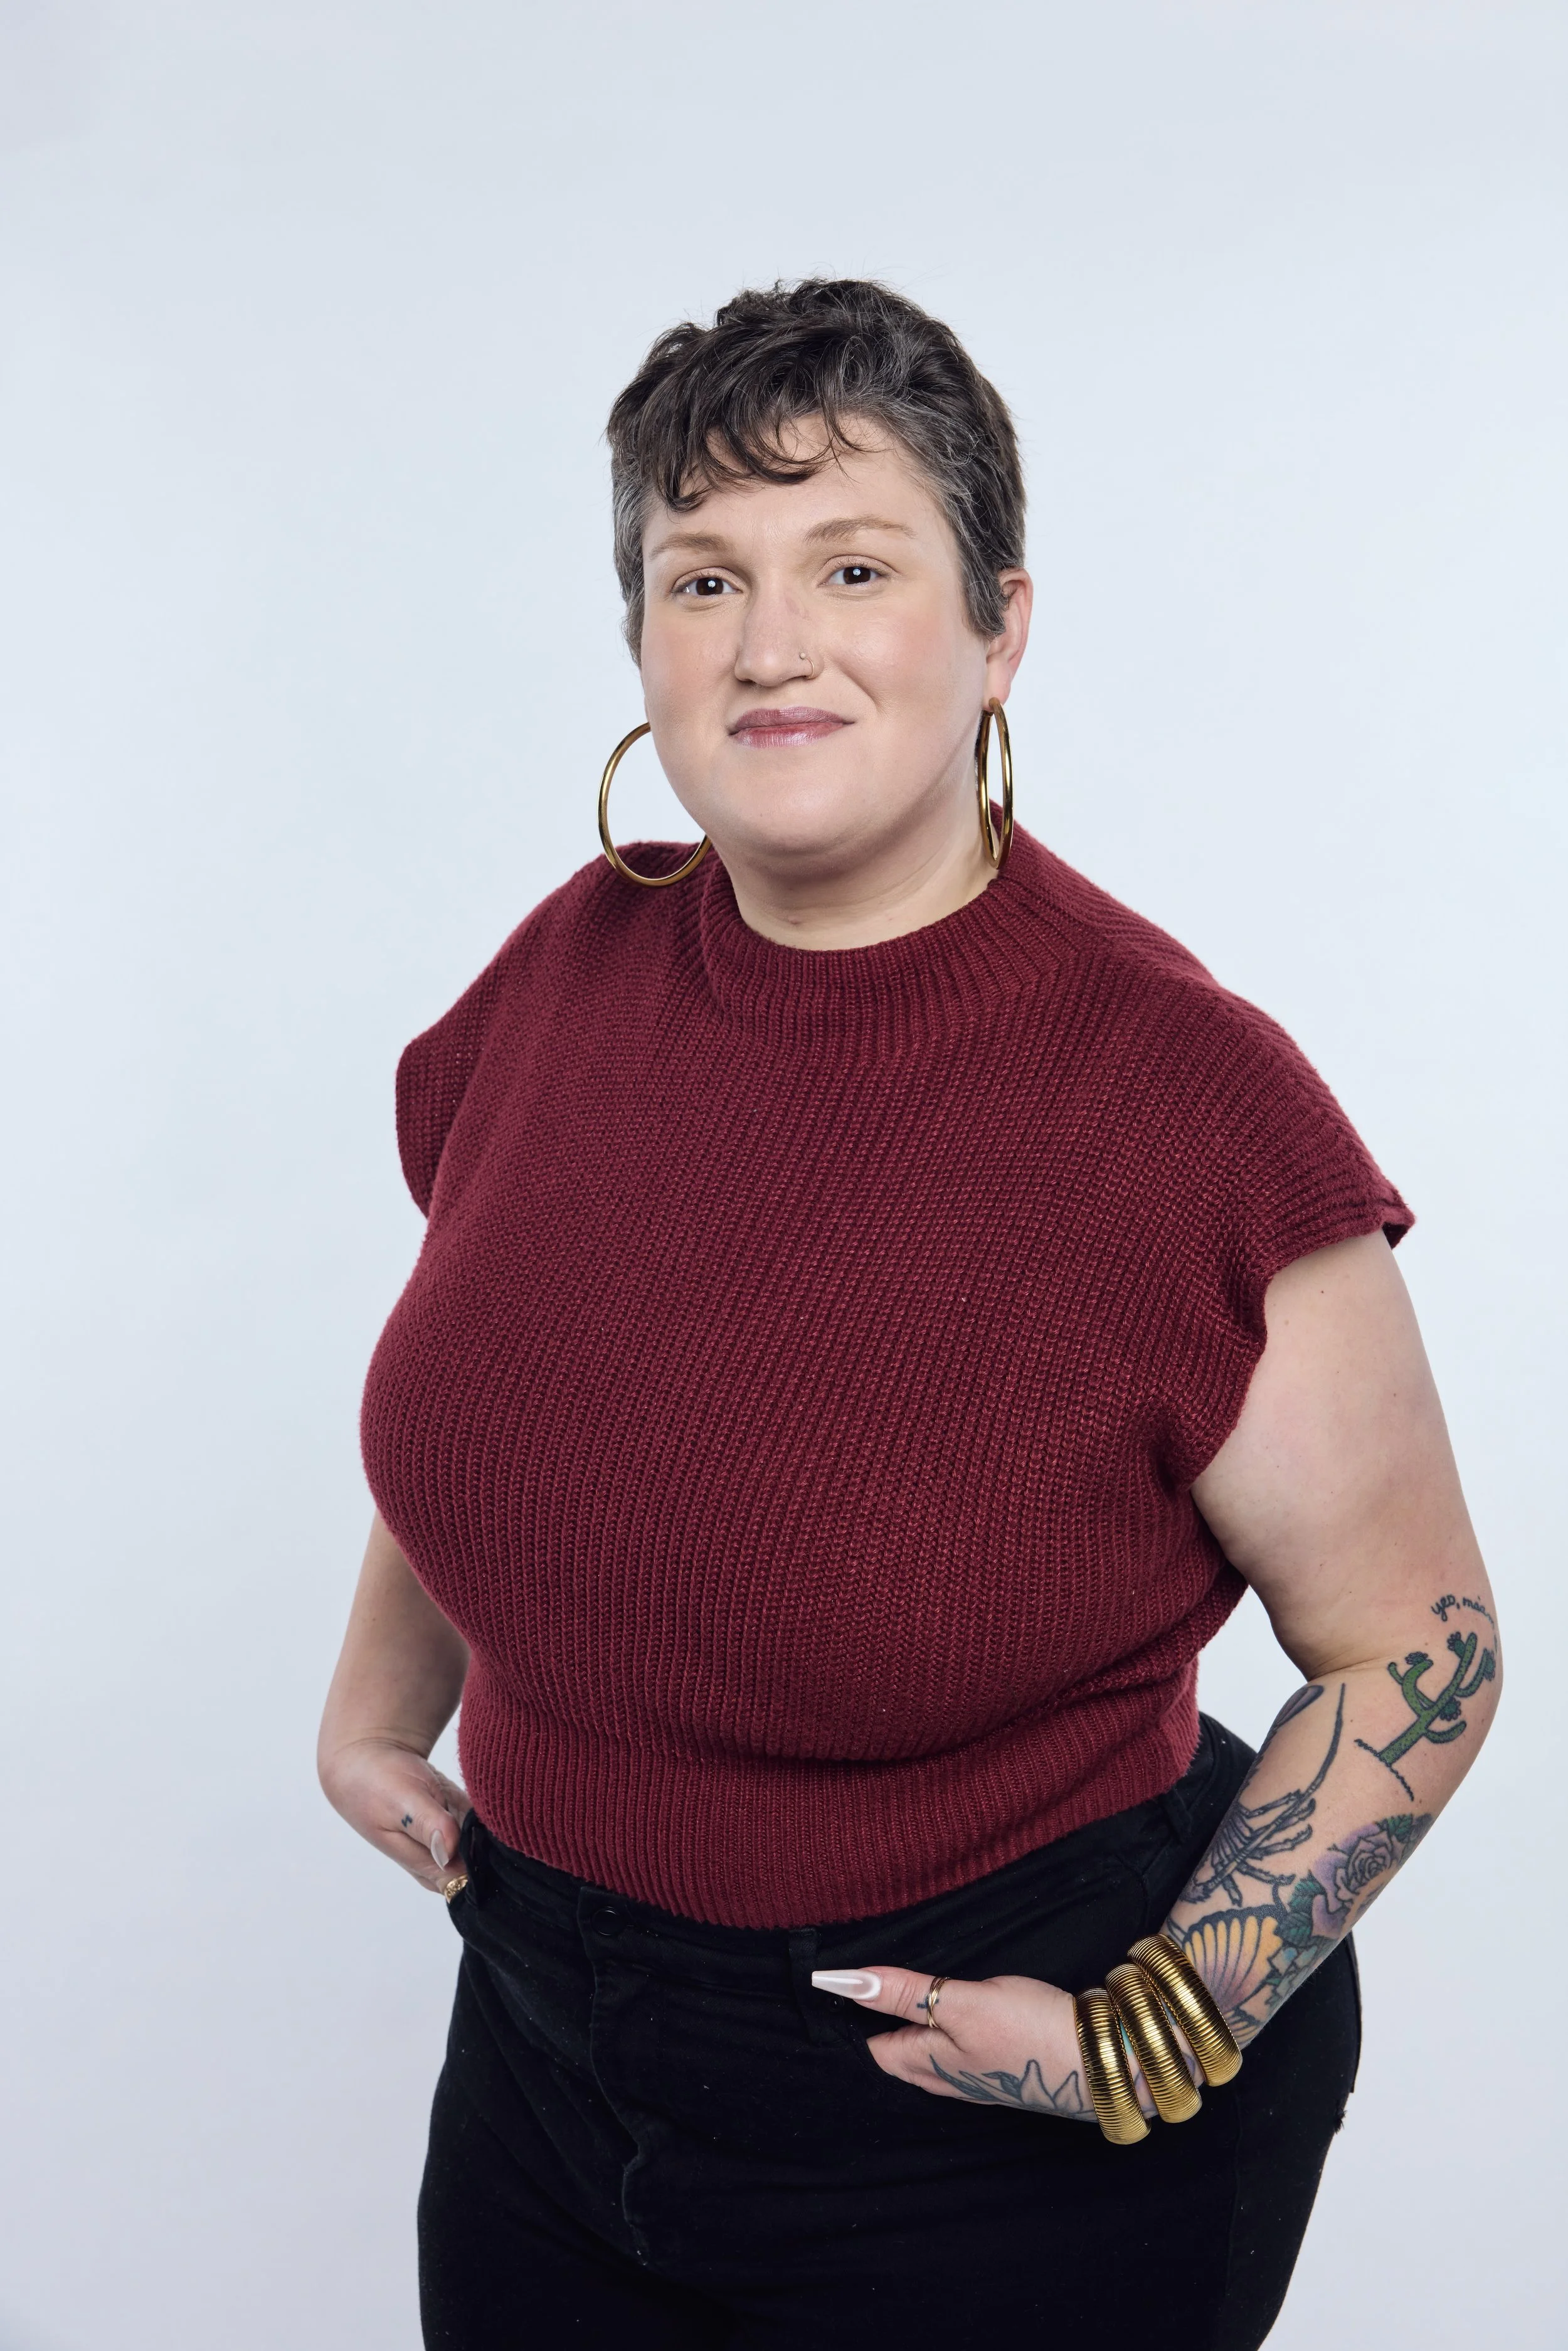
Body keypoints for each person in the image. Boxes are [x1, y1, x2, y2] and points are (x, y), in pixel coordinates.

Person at [318, 279, 1500, 2351]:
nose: (769, 643)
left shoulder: (1190, 1108)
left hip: (982, 2123)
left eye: (852, 566)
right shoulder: (570, 967)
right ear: (643, 647)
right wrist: (377, 1700)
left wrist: (1144, 2034)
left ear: (996, 628)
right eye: (704, 579)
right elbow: (509, 1385)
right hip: (540, 2052)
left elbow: (1424, 1646)